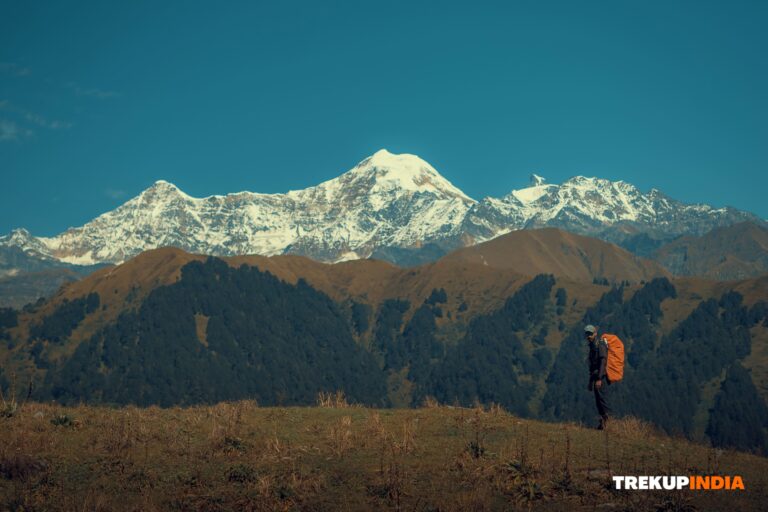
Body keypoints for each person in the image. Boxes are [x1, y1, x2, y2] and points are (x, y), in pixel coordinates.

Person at [585, 324, 610, 430]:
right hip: (596, 376)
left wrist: (599, 378)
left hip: (601, 377)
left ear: (595, 333)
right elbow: (593, 365)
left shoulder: (600, 345)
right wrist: (591, 381)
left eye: (590, 333)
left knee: (602, 400)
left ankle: (608, 422)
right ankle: (603, 423)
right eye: (587, 333)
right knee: (598, 400)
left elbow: (602, 362)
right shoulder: (592, 345)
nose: (588, 336)